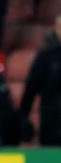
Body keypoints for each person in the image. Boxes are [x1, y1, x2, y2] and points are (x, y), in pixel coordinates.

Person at [19, 13, 61, 145]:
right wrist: (23, 119)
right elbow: (30, 90)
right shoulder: (45, 57)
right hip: (52, 127)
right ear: (56, 29)